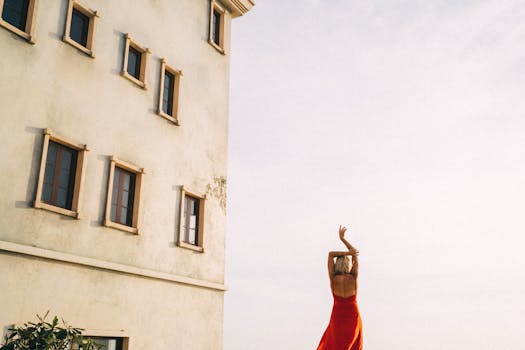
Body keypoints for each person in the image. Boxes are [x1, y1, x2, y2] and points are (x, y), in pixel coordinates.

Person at [317, 226, 363, 350]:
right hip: (352, 315)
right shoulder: (353, 277)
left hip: (337, 315)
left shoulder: (333, 278)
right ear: (348, 264)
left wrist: (346, 252)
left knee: (336, 345)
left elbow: (330, 255)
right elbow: (355, 252)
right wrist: (344, 241)